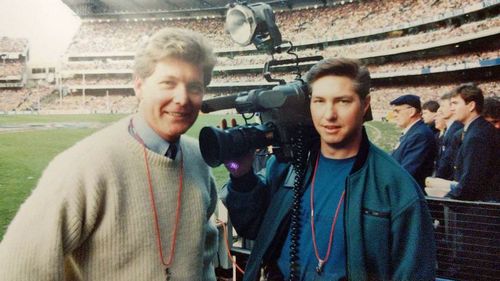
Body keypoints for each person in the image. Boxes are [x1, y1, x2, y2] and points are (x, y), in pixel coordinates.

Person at [0, 27, 219, 280]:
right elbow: (16, 267)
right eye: (168, 83)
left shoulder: (198, 159)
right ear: (139, 85)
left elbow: (203, 261)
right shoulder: (85, 165)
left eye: (194, 87)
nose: (182, 98)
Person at [220, 58, 436, 281]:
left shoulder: (397, 188)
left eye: (343, 101)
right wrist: (240, 172)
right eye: (319, 101)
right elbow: (253, 228)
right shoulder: (286, 166)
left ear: (365, 105)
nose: (329, 114)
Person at [446, 83, 499, 201]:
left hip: (479, 210)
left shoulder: (477, 136)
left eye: (455, 103)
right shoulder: (477, 129)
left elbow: (471, 182)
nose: (451, 108)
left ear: (471, 106)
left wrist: (447, 198)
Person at [390, 94, 437, 190]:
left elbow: (407, 171)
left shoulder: (419, 135)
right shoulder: (413, 132)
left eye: (397, 111)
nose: (394, 115)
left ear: (411, 112)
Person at [434, 92, 463, 180]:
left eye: (442, 106)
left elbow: (448, 161)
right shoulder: (449, 129)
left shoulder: (456, 130)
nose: (439, 109)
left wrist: (438, 179)